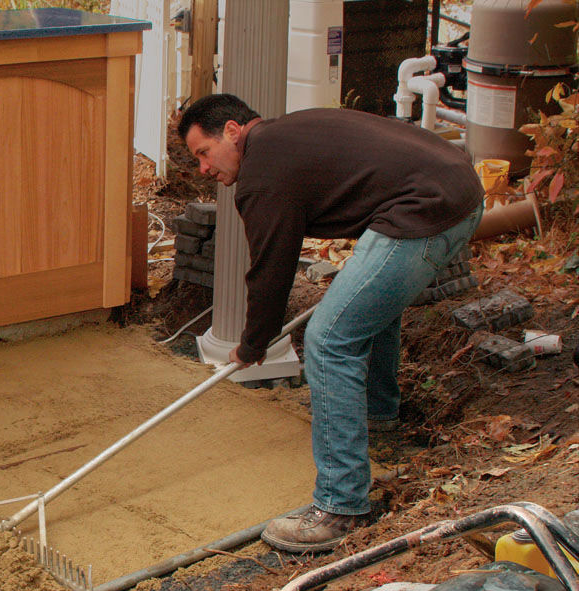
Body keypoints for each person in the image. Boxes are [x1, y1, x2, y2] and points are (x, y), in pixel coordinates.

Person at [178, 94, 484, 553]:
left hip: (424, 208)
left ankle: (340, 507)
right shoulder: (290, 136)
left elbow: (271, 268)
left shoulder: (262, 174)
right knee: (364, 313)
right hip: (457, 189)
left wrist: (252, 343)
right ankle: (377, 421)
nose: (204, 169)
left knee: (328, 340)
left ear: (234, 131)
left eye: (203, 152)